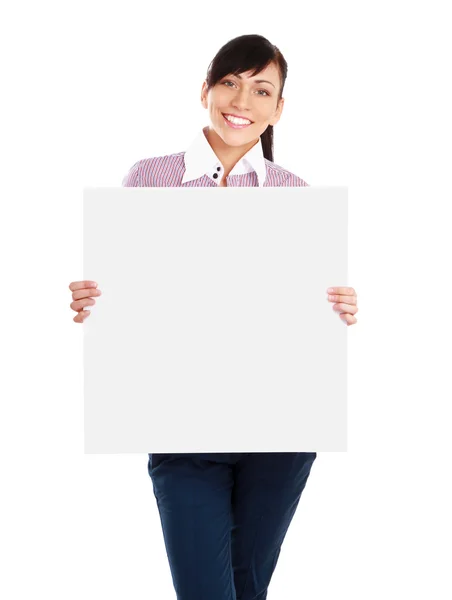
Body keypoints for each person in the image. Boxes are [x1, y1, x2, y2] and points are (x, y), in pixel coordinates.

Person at [69, 34, 359, 600]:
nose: (241, 101)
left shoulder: (295, 195)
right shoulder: (150, 179)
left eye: (261, 90)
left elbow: (304, 315)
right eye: (229, 83)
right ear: (205, 90)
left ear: (279, 109)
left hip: (281, 429)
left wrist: (340, 309)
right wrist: (92, 301)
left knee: (246, 590)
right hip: (183, 430)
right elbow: (123, 299)